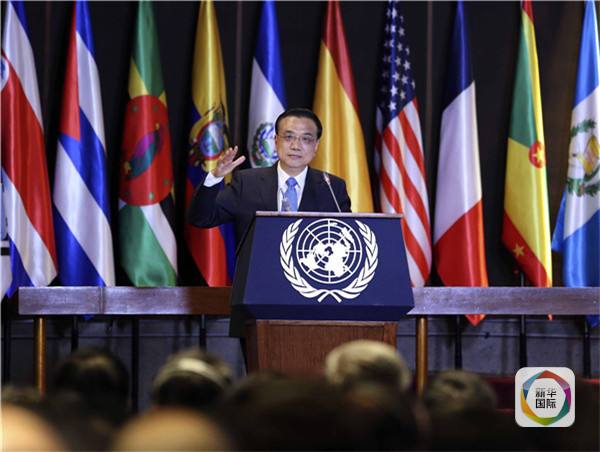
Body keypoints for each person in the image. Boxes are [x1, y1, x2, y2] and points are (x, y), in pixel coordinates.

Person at [187, 107, 352, 245]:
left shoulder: (332, 188)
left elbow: (347, 239)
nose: (296, 146)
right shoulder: (247, 183)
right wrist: (215, 177)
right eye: (289, 137)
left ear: (316, 146)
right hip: (258, 273)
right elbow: (201, 218)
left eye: (306, 139)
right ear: (276, 141)